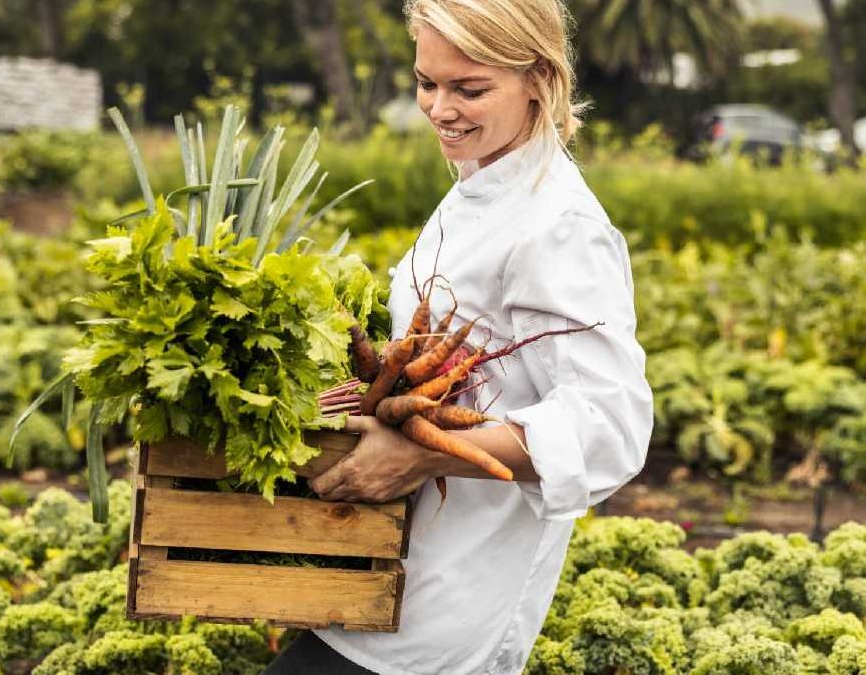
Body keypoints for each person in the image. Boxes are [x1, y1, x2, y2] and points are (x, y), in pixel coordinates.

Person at [262, 1, 652, 673]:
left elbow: (608, 426)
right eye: (427, 82)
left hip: (450, 602)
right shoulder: (480, 180)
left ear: (538, 77)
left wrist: (423, 456)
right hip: (384, 564)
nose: (440, 108)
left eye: (469, 89)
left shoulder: (558, 225)